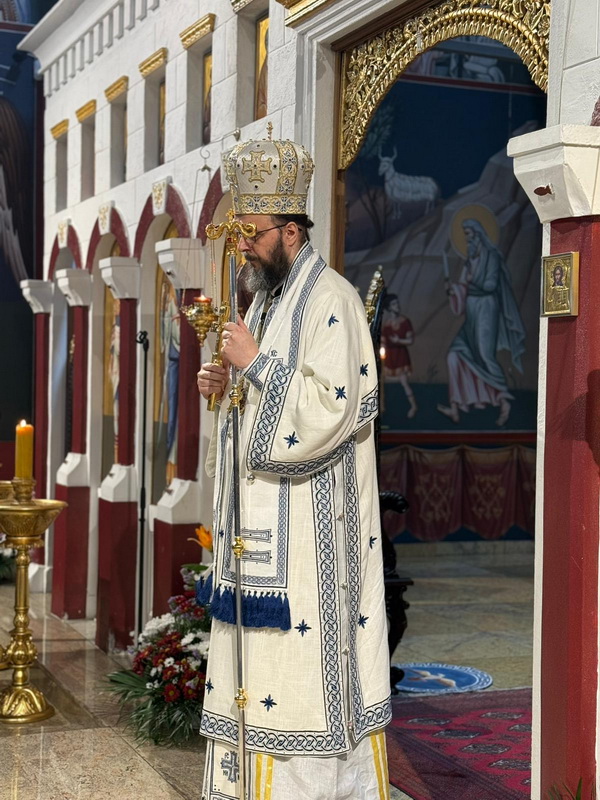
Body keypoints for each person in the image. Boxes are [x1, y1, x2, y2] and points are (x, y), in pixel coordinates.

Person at [196, 137, 391, 800]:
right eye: (239, 235)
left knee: (303, 693)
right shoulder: (264, 301)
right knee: (252, 684)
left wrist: (254, 364)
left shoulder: (332, 299)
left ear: (291, 230)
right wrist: (225, 388)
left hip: (310, 549)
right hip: (254, 547)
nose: (242, 248)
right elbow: (258, 405)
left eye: (251, 235)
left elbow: (330, 411)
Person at [437, 218, 525, 427]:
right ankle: (456, 407)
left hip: (486, 310)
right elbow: (463, 287)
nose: (466, 239)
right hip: (471, 312)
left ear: (478, 235)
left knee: (485, 356)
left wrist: (468, 284)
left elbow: (490, 285)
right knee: (454, 355)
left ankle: (504, 403)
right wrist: (454, 290)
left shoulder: (491, 257)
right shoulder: (470, 260)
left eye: (468, 234)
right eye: (465, 235)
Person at [381, 293, 417, 418]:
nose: (397, 306)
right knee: (382, 381)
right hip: (390, 357)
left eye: (397, 303)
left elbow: (410, 340)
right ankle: (382, 407)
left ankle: (413, 406)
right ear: (389, 308)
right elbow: (384, 342)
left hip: (401, 356)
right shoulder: (387, 325)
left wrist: (398, 341)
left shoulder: (405, 322)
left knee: (404, 381)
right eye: (394, 304)